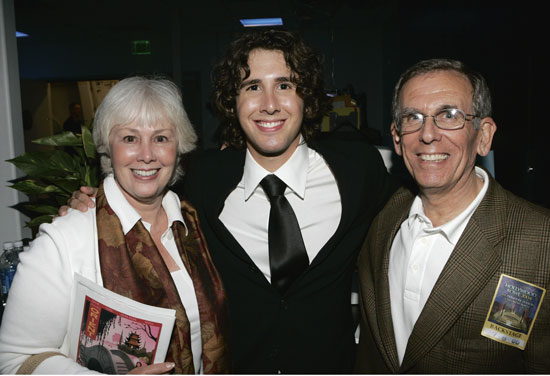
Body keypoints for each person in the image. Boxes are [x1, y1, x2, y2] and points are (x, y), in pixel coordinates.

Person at [62, 29, 398, 373]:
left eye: (284, 85)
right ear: (232, 101)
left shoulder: (358, 171)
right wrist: (91, 208)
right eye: (252, 87)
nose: (269, 104)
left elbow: (412, 212)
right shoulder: (205, 179)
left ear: (306, 97)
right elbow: (143, 205)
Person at [0, 77, 229, 374]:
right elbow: (15, 360)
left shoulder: (197, 226)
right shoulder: (65, 239)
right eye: (130, 138)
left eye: (161, 138)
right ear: (108, 146)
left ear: (180, 146)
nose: (146, 154)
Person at [355, 58, 550, 373]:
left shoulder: (541, 243)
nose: (428, 134)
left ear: (483, 135)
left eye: (449, 115)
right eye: (412, 117)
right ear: (397, 139)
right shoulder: (382, 221)